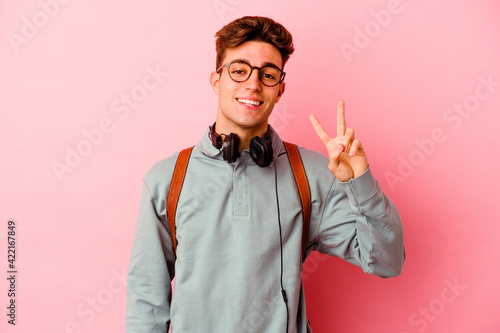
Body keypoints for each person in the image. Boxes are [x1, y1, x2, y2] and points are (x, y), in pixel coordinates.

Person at [126, 16, 405, 333]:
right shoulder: (166, 179)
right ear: (217, 80)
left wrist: (360, 181)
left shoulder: (312, 175)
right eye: (239, 70)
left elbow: (386, 261)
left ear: (280, 89)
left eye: (268, 74)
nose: (253, 84)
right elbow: (145, 299)